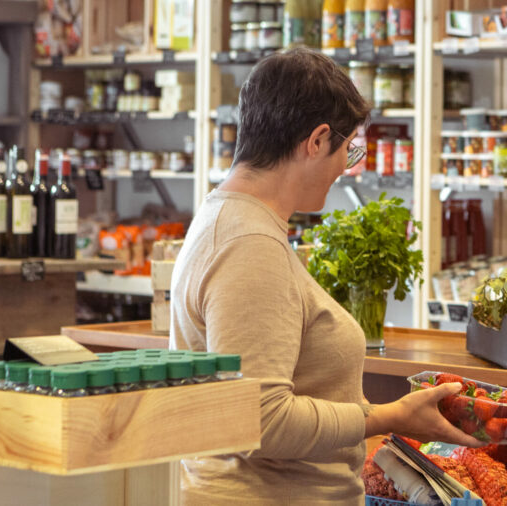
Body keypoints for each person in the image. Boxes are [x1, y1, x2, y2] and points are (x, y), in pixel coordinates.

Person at [170, 48, 481, 504]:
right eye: (349, 147)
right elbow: (262, 419)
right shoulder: (249, 245)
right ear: (316, 140)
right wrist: (390, 416)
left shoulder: (234, 222)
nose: (346, 166)